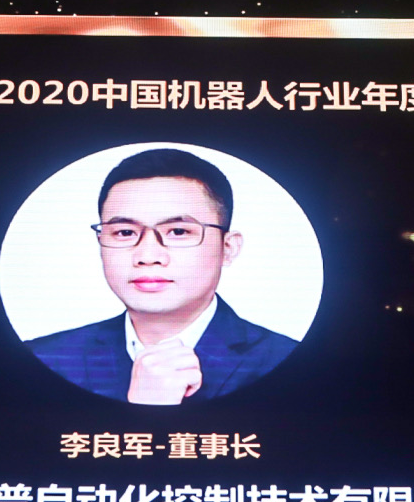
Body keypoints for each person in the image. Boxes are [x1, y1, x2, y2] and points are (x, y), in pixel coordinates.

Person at [27, 148, 297, 405]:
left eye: (178, 232)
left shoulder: (287, 361)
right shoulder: (44, 359)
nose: (147, 256)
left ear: (228, 248)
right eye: (124, 233)